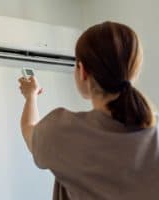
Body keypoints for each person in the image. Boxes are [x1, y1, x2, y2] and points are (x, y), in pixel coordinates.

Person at [18, 21, 159, 200]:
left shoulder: (62, 132)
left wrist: (31, 96)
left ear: (82, 71)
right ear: (134, 70)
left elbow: (29, 128)